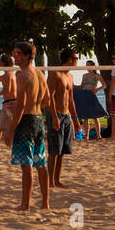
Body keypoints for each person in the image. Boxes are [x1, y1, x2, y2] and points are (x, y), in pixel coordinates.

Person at [6, 41, 55, 211]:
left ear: (27, 56)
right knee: (40, 163)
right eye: (14, 53)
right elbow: (47, 100)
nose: (15, 56)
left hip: (26, 122)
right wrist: (32, 106)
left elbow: (20, 106)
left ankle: (25, 204)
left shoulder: (22, 75)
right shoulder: (40, 74)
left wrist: (11, 130)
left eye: (18, 53)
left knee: (26, 166)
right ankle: (45, 204)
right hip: (38, 120)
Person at [46, 49, 81, 189]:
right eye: (76, 57)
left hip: (66, 116)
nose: (77, 60)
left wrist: (76, 119)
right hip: (56, 114)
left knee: (63, 152)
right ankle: (49, 181)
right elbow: (50, 97)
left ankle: (57, 180)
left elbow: (71, 99)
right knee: (54, 151)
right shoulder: (55, 74)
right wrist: (54, 117)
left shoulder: (70, 77)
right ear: (69, 59)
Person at [74, 59, 106, 139]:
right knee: (85, 117)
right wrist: (73, 86)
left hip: (92, 96)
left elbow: (104, 85)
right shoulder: (84, 75)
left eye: (88, 65)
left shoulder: (97, 76)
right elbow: (81, 86)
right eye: (86, 65)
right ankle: (87, 135)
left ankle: (99, 135)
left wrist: (96, 90)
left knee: (95, 116)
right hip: (84, 95)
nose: (87, 67)